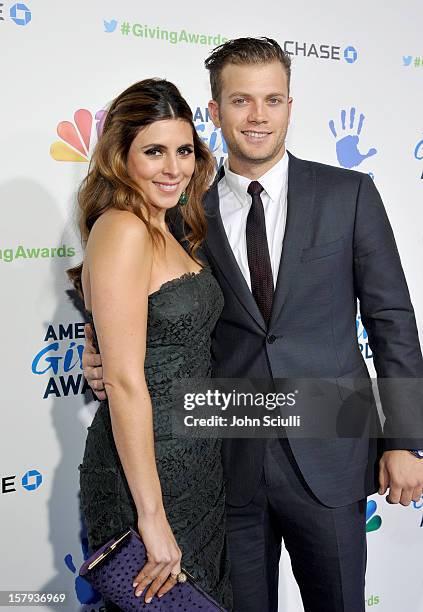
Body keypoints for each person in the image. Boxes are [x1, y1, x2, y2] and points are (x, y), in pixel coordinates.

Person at [83, 38, 423, 612]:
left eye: (272, 99)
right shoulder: (185, 211)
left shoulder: (349, 194)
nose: (258, 116)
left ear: (291, 104)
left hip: (332, 451)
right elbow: (151, 311)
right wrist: (101, 359)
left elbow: (392, 320)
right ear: (215, 112)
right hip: (225, 463)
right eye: (241, 101)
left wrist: (406, 441)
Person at [68, 78, 232, 611]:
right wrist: (152, 517)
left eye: (184, 150)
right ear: (121, 157)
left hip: (195, 471)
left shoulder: (169, 229)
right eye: (154, 151)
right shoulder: (122, 228)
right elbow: (122, 379)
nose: (174, 167)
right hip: (146, 478)